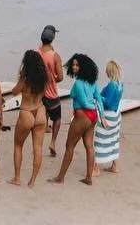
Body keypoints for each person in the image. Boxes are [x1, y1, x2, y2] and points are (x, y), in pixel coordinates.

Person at [50, 53, 101, 186]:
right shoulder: (92, 82)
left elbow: (83, 102)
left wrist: (90, 106)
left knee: (69, 146)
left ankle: (60, 177)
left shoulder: (78, 83)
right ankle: (89, 177)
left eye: (77, 65)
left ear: (83, 67)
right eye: (73, 64)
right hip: (92, 117)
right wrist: (99, 112)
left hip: (82, 116)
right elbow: (99, 98)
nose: (74, 67)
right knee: (89, 146)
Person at [6, 49, 50, 188]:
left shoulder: (25, 78)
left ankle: (17, 178)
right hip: (41, 112)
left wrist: (20, 80)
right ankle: (32, 181)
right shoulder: (45, 76)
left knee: (18, 145)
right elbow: (45, 92)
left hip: (26, 112)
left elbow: (14, 92)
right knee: (38, 148)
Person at [38, 25, 65, 156]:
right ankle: (53, 142)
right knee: (58, 118)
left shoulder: (36, 53)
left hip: (39, 93)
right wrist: (53, 79)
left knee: (44, 114)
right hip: (52, 94)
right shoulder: (55, 56)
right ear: (53, 38)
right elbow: (60, 77)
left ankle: (41, 139)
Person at [94, 59, 124, 173]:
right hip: (116, 115)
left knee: (100, 140)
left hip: (108, 115)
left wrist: (98, 97)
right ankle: (114, 165)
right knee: (114, 139)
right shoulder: (120, 85)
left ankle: (95, 167)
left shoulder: (111, 85)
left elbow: (108, 103)